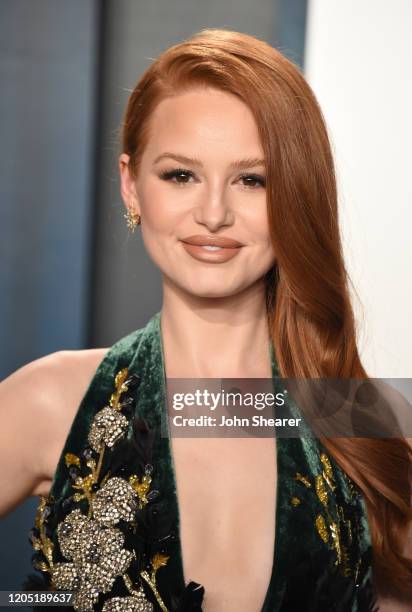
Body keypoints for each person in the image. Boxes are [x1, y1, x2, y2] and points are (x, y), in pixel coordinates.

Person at [1, 28, 411, 612]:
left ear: (294, 194)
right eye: (180, 175)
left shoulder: (370, 420)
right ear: (131, 184)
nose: (214, 213)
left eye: (252, 180)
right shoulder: (53, 402)